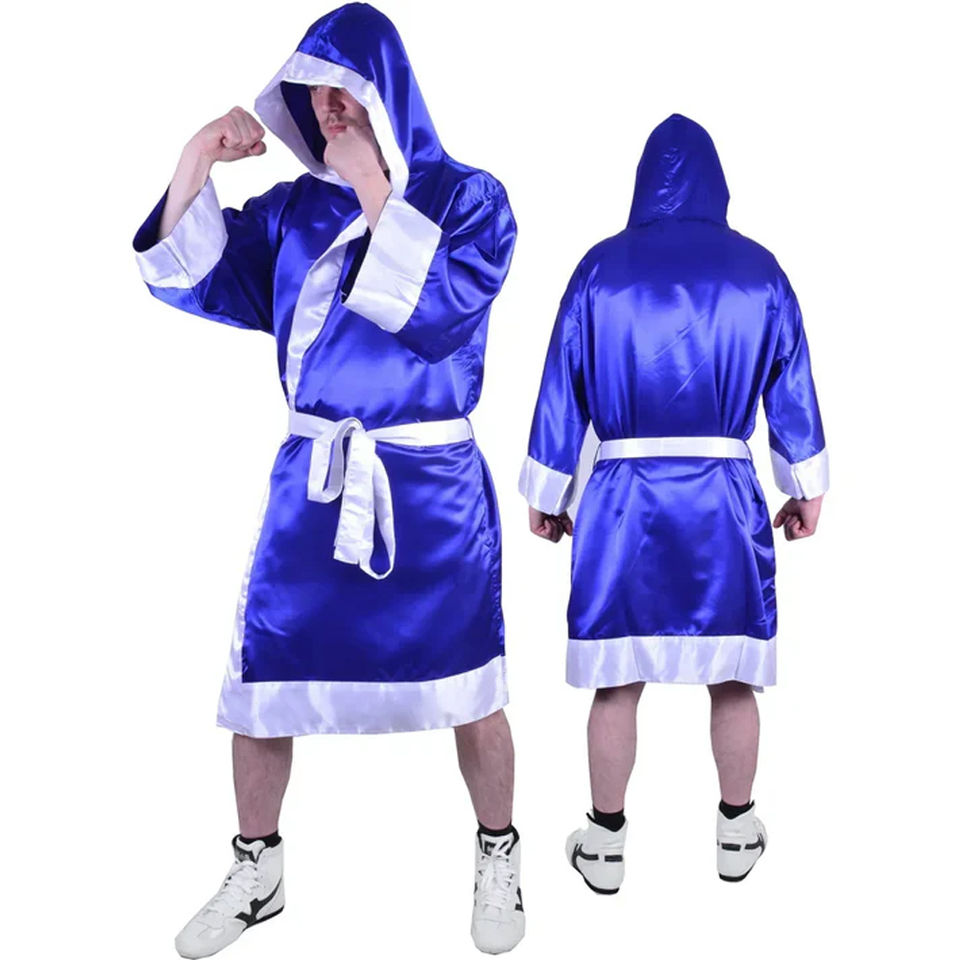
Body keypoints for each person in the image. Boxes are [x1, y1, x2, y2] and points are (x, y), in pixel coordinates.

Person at [132, 5, 523, 955]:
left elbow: (439, 317)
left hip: (431, 488)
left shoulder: (473, 199)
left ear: (388, 95)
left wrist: (377, 190)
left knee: (472, 688)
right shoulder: (292, 214)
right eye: (312, 96)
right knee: (264, 679)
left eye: (345, 92)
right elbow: (193, 277)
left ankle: (498, 852)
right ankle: (256, 867)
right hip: (314, 479)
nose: (328, 111)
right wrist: (196, 159)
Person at [519, 113, 828, 892]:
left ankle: (605, 845)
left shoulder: (599, 269)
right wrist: (804, 488)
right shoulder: (760, 271)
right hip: (723, 499)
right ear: (718, 184)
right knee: (733, 674)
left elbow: (562, 387)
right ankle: (736, 833)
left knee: (617, 677)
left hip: (622, 502)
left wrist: (549, 493)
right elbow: (792, 387)